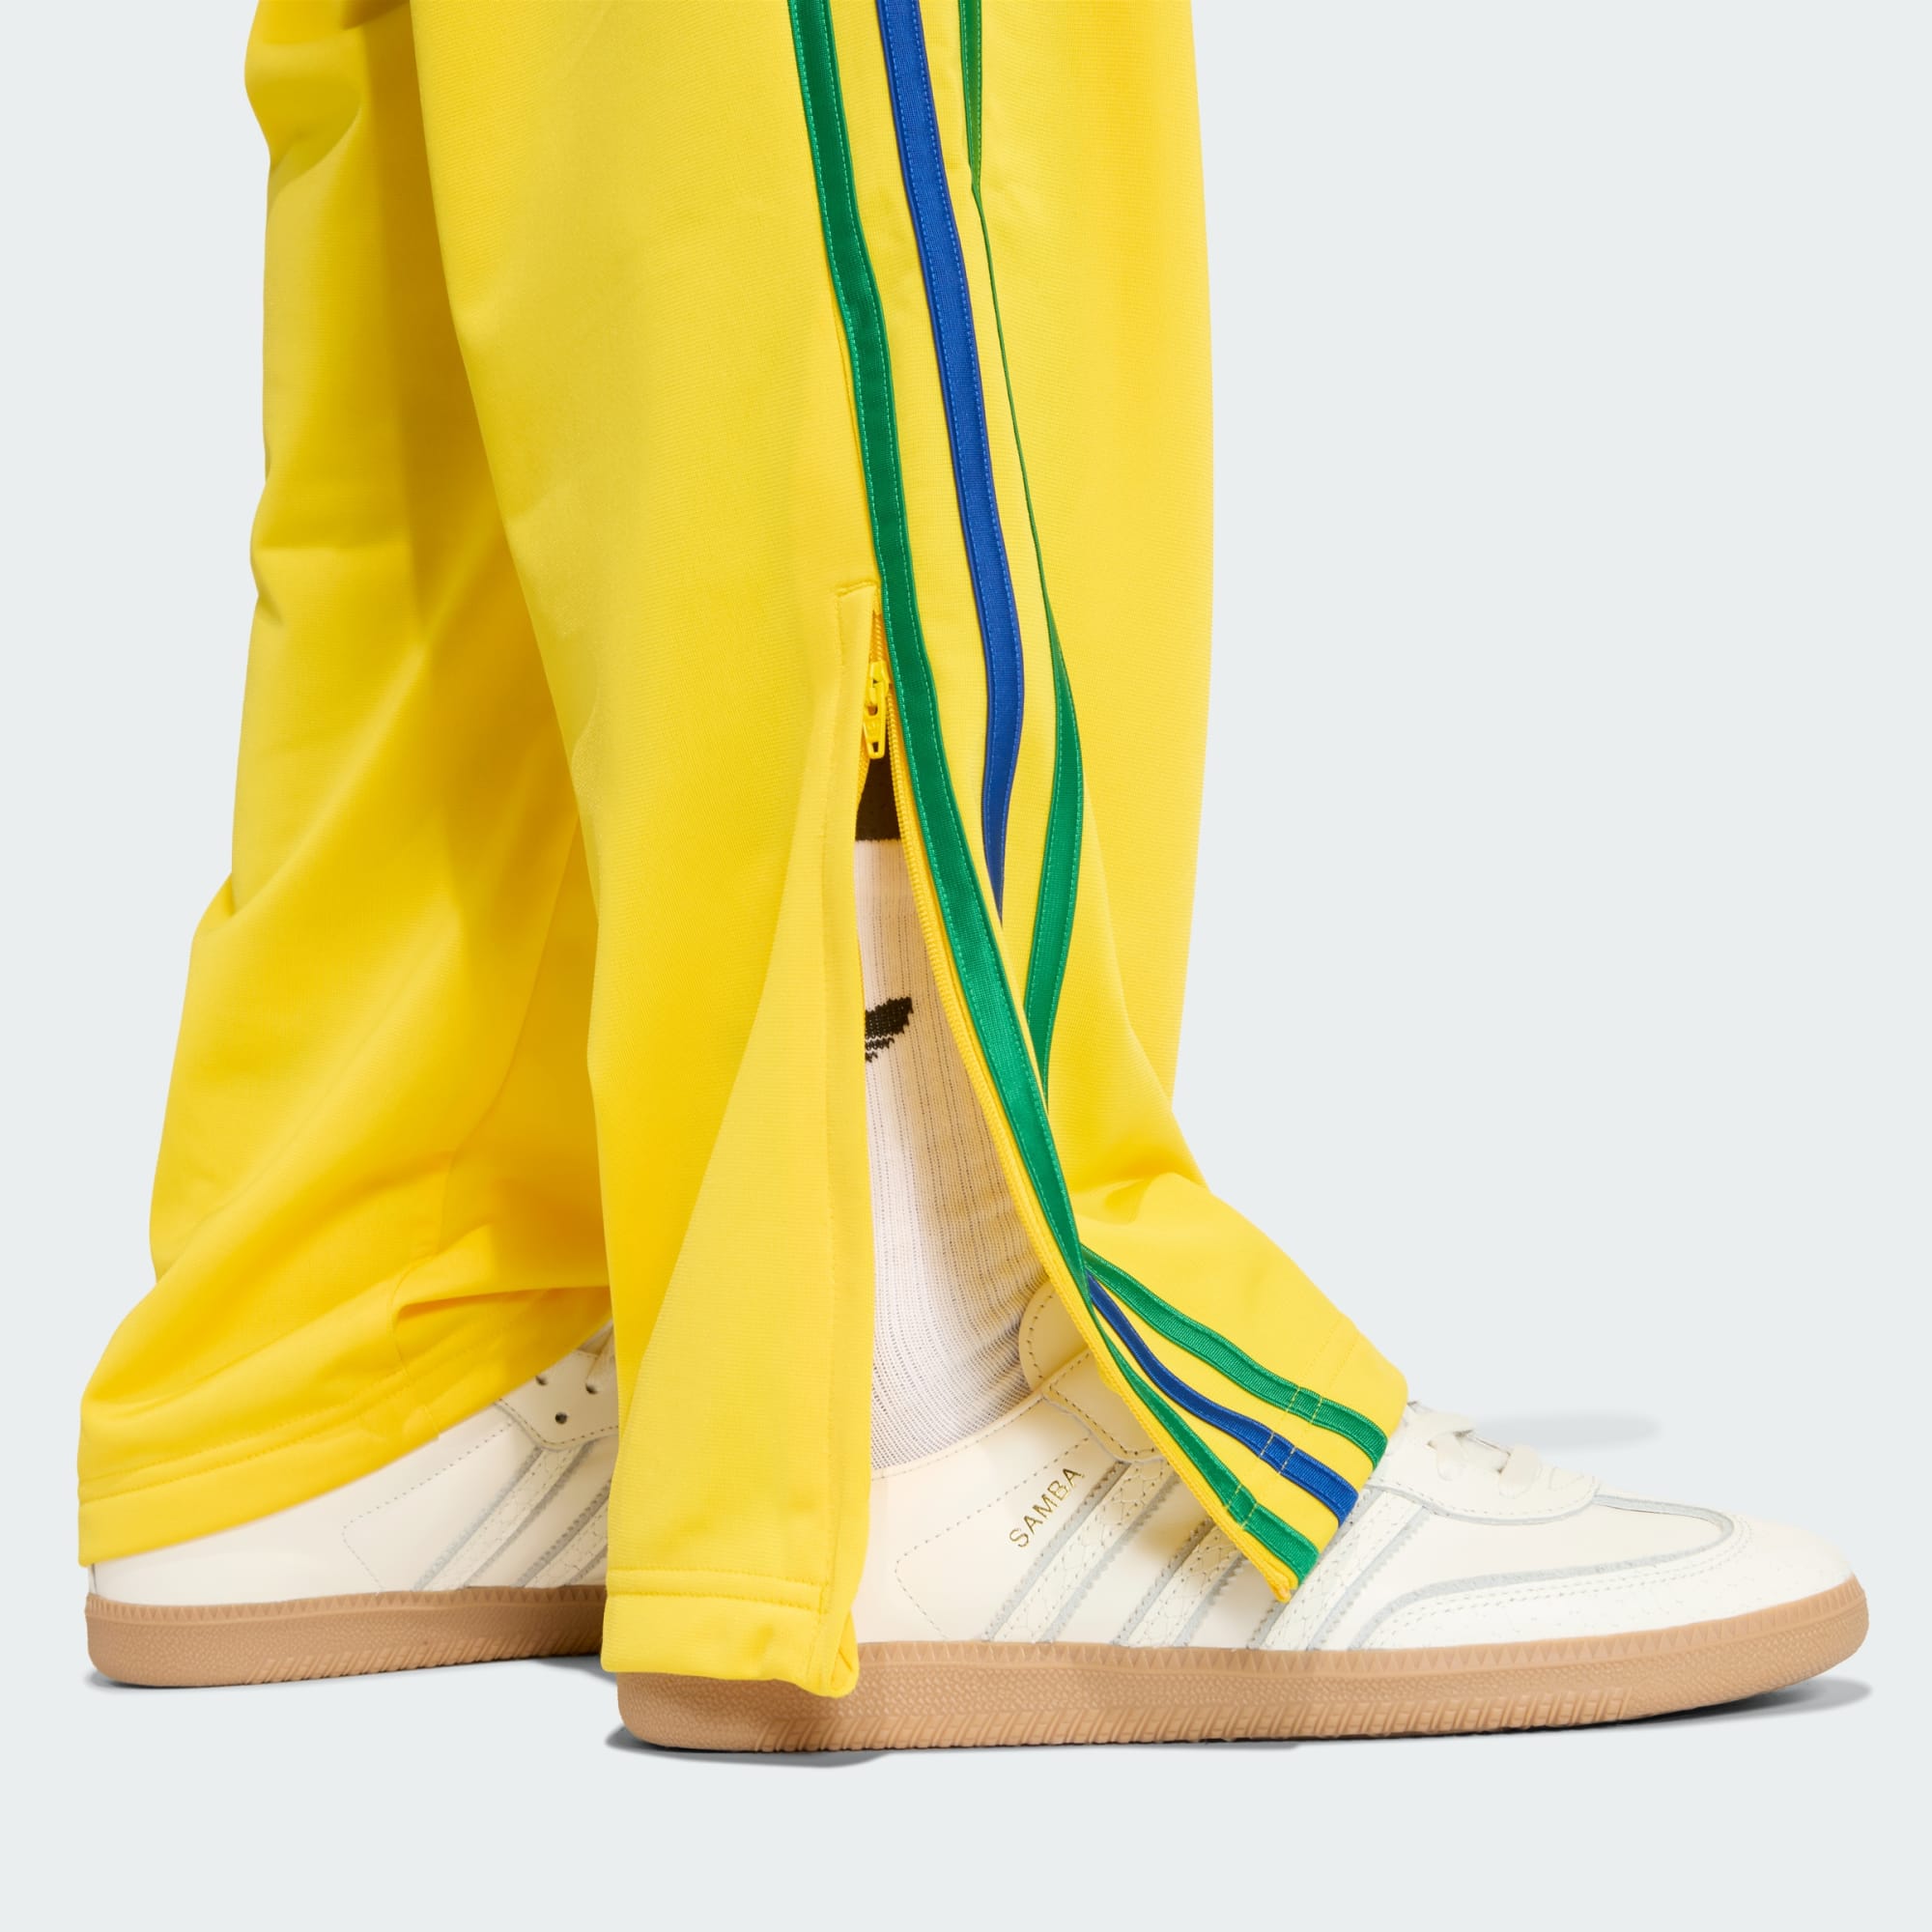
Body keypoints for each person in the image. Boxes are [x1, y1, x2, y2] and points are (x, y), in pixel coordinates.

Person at [79, 0, 1863, 1747]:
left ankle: (390, 1347)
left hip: (415, 1344)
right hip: (925, 1400)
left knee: (533, 102)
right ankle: (916, 1371)